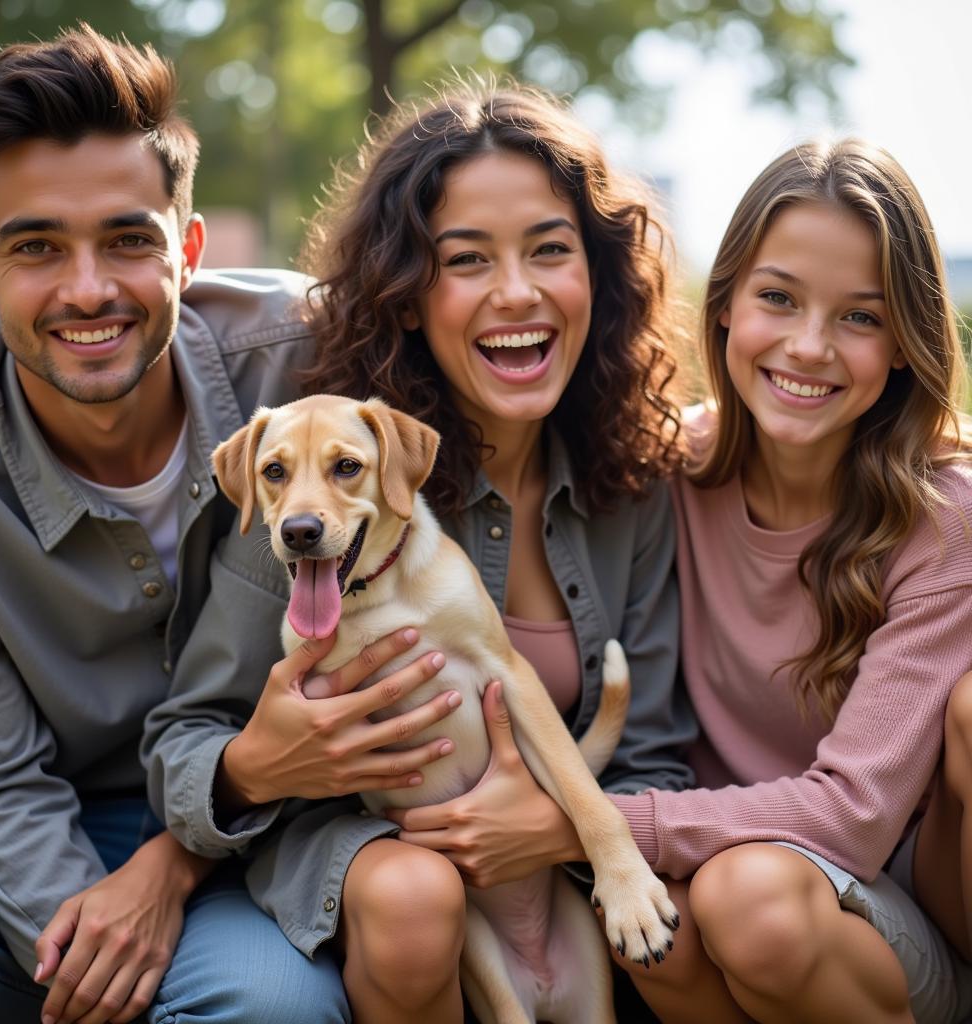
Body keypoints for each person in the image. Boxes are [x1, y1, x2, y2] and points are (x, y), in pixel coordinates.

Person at [143, 81, 697, 1022]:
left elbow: (650, 755)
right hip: (371, 854)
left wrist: (554, 830)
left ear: (598, 277)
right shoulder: (317, 497)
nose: (514, 292)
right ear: (406, 293)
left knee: (694, 941)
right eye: (465, 259)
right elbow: (188, 737)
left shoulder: (633, 482)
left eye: (550, 251)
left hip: (552, 854)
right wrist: (259, 767)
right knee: (413, 899)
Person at [0, 24, 457, 1024]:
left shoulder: (307, 364)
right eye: (37, 247)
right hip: (19, 827)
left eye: (128, 240)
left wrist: (702, 432)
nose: (88, 288)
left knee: (267, 1010)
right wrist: (102, 933)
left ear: (186, 247)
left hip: (275, 831)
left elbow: (496, 382)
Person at [610, 140, 972, 1024]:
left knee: (748, 901)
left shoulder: (943, 516)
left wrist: (590, 821)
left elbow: (850, 818)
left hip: (901, 915)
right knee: (648, 918)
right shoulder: (665, 469)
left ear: (902, 345)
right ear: (727, 303)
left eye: (860, 317)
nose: (809, 347)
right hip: (725, 875)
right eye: (779, 298)